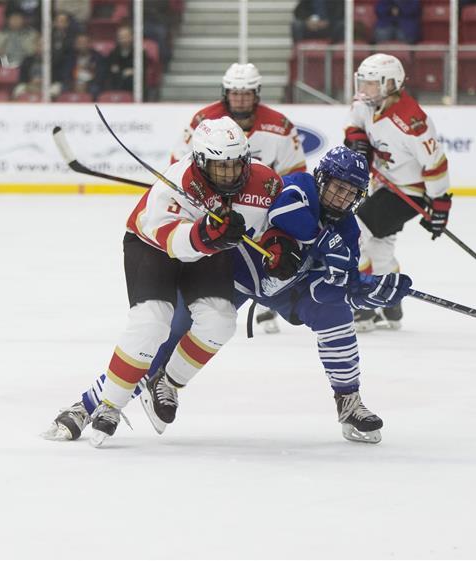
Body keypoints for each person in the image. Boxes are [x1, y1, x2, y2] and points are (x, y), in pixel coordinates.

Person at [44, 147, 412, 445]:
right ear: (321, 179)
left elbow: (330, 286)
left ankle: (349, 402)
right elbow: (285, 213)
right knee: (163, 337)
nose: (341, 197)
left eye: (350, 193)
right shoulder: (299, 186)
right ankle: (88, 406)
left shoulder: (348, 230)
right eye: (336, 187)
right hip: (230, 277)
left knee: (337, 314)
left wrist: (362, 291)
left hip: (281, 289)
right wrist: (320, 240)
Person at [54, 116, 288, 446]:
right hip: (154, 249)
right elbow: (171, 242)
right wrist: (207, 234)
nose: (230, 174)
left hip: (210, 252)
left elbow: (276, 223)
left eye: (236, 164)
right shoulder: (175, 184)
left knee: (220, 323)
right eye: (220, 167)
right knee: (151, 325)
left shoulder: (266, 183)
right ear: (201, 161)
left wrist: (278, 243)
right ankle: (108, 405)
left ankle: (168, 383)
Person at [171, 62, 308, 333]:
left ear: (257, 93)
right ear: (226, 93)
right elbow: (179, 165)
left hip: (261, 204)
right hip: (213, 204)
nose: (241, 99)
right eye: (235, 93)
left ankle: (271, 296)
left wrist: (275, 206)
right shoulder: (202, 122)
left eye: (246, 93)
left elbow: (295, 173)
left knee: (272, 252)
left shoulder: (280, 126)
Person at [344, 53, 451, 332]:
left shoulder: (413, 122)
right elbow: (353, 126)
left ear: (390, 83)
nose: (363, 89)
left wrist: (440, 203)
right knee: (379, 249)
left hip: (409, 194)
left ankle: (364, 308)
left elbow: (435, 164)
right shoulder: (365, 104)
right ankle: (391, 305)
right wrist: (357, 141)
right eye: (362, 82)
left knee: (352, 234)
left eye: (371, 83)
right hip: (383, 185)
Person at [104, 25, 149, 93]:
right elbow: (112, 69)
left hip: (134, 83)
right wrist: (124, 71)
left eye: (125, 37)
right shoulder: (113, 53)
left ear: (131, 37)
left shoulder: (139, 53)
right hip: (117, 81)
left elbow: (142, 69)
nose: (123, 40)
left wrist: (133, 71)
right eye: (121, 37)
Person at [60, 33, 106, 99]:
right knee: (63, 89)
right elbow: (65, 74)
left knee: (95, 90)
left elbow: (100, 75)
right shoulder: (70, 57)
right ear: (75, 44)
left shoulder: (97, 57)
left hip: (91, 84)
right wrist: (73, 84)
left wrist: (87, 85)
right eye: (79, 43)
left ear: (89, 44)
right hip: (73, 83)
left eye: (84, 43)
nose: (82, 45)